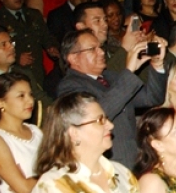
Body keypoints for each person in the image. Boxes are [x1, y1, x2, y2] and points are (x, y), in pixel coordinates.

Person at [57, 29, 168, 167]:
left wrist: (157, 65)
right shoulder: (70, 85)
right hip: (109, 163)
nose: (102, 52)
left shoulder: (111, 77)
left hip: (135, 158)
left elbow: (152, 98)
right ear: (73, 58)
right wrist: (129, 72)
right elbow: (97, 114)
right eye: (93, 49)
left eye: (100, 48)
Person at [34, 92, 139, 193]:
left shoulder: (121, 172)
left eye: (106, 119)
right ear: (74, 133)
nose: (111, 125)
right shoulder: (55, 184)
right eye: (100, 120)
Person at [0, 0, 59, 91]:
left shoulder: (33, 14)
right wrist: (17, 57)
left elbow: (46, 36)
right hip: (13, 75)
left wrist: (51, 47)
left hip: (37, 73)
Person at [0, 25, 52, 133]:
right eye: (3, 45)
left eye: (11, 42)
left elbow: (43, 102)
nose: (11, 47)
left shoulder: (23, 73)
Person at [0, 73, 43, 193]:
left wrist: (33, 179)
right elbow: (23, 188)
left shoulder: (36, 131)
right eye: (21, 96)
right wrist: (52, 175)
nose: (30, 100)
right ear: (0, 103)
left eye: (30, 94)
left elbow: (62, 167)